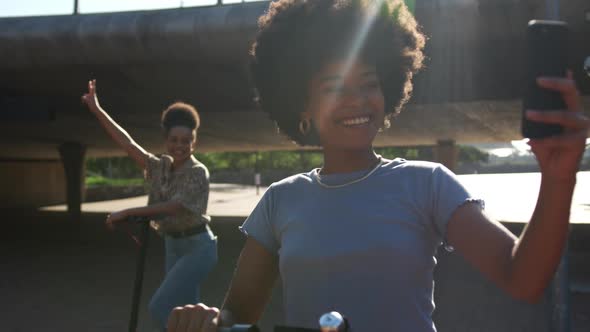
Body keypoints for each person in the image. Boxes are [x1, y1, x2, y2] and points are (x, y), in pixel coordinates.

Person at [166, 0, 589, 331]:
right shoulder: (280, 201)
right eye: (335, 89)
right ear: (302, 108)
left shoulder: (427, 184)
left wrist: (558, 178)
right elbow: (237, 314)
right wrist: (205, 321)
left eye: (369, 84)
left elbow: (524, 278)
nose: (357, 100)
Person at [81, 80, 218, 330]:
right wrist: (97, 110)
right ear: (166, 140)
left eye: (186, 141)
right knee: (187, 314)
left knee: (161, 307)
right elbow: (127, 144)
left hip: (198, 248)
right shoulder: (159, 167)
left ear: (194, 143)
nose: (179, 146)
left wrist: (128, 211)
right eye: (174, 140)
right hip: (172, 246)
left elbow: (173, 207)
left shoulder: (198, 172)